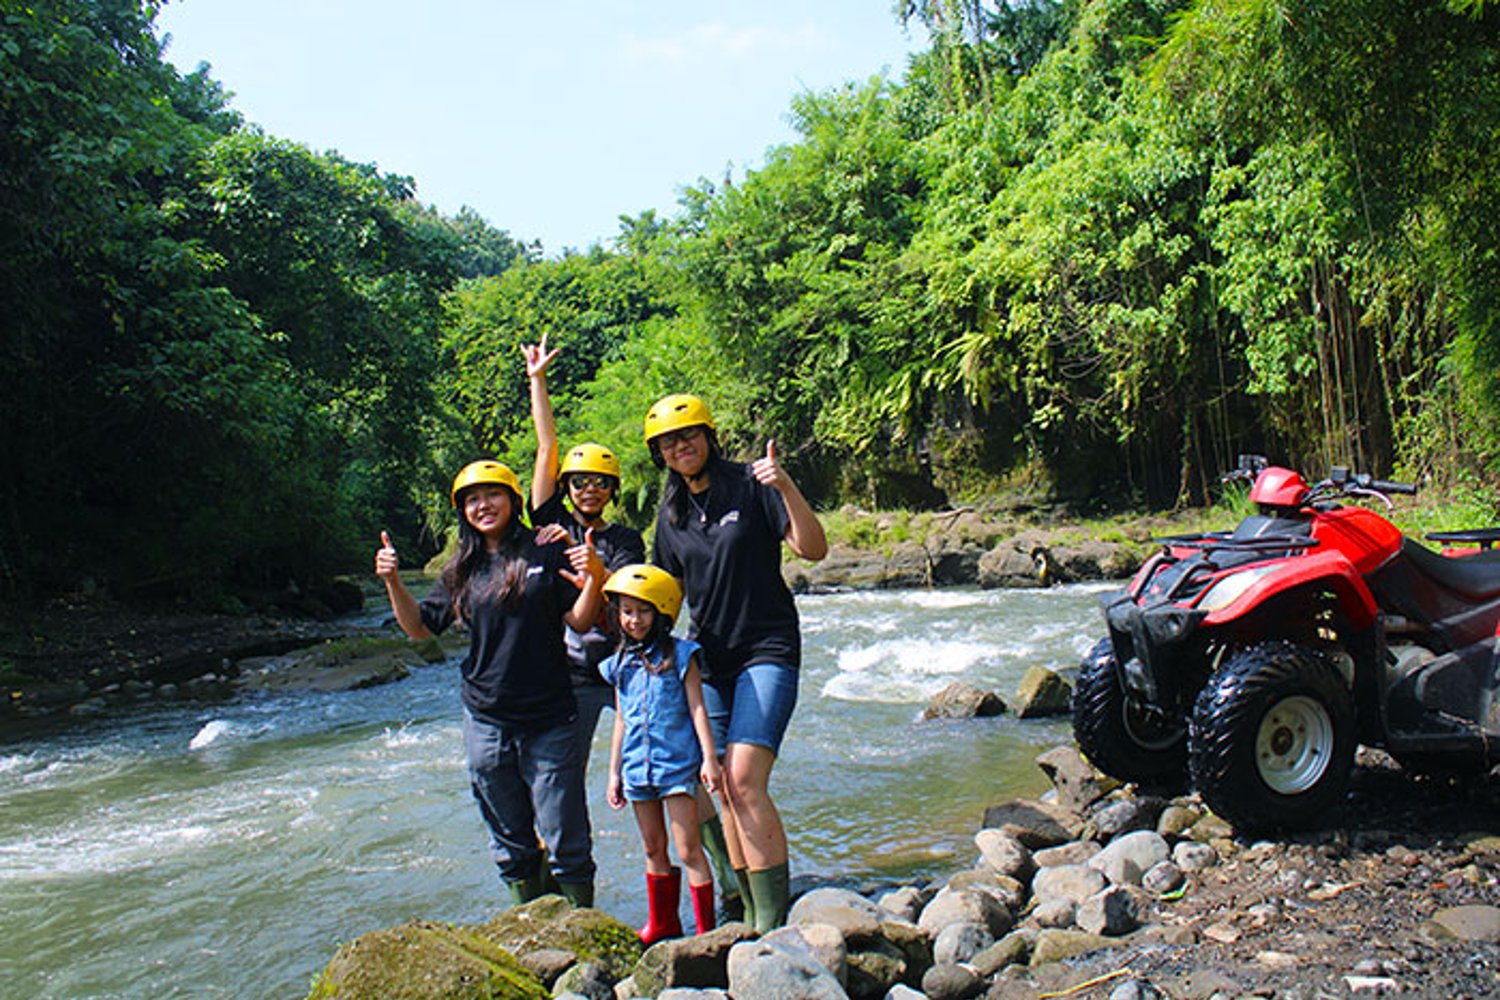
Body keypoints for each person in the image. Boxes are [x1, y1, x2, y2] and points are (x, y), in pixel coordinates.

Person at [374, 459, 605, 906]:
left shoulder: (545, 549)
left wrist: (595, 577)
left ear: (513, 500)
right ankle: (529, 918)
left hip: (550, 713)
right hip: (486, 716)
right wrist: (392, 582)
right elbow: (421, 628)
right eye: (472, 500)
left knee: (564, 830)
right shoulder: (460, 569)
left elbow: (579, 620)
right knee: (509, 833)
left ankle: (583, 926)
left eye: (492, 495)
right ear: (462, 511)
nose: (483, 506)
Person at [643, 394, 828, 933]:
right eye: (668, 442)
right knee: (716, 783)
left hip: (767, 647)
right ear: (660, 454)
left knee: (745, 779)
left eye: (689, 435)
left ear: (708, 435)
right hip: (710, 658)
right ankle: (743, 902)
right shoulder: (671, 513)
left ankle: (772, 917)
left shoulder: (753, 483)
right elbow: (667, 593)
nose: (681, 446)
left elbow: (813, 549)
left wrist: (785, 485)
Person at [522, 333, 646, 776]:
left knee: (668, 763)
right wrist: (538, 381)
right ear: (567, 488)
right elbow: (546, 450)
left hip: (627, 665)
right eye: (579, 482)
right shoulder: (550, 522)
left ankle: (704, 843)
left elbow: (627, 599)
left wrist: (584, 557)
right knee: (560, 771)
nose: (589, 489)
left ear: (613, 489)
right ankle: (550, 845)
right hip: (570, 671)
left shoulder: (628, 540)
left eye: (599, 482)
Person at [599, 564, 723, 943]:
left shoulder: (683, 656)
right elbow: (621, 720)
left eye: (643, 611)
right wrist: (614, 772)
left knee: (688, 851)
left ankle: (705, 931)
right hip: (637, 769)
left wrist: (710, 759)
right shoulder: (619, 663)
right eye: (627, 611)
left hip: (676, 767)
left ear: (662, 612)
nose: (634, 620)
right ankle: (664, 922)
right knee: (653, 847)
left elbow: (698, 708)